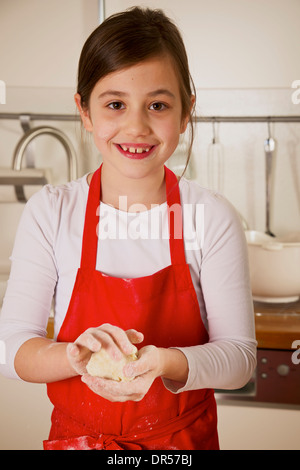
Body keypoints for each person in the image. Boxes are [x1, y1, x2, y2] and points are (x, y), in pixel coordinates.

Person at [0, 7, 256, 450]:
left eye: (157, 105)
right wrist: (76, 356)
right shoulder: (51, 212)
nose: (136, 126)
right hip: (75, 440)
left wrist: (166, 363)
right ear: (84, 110)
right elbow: (11, 350)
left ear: (185, 112)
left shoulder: (211, 217)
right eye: (115, 104)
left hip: (182, 446)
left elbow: (239, 360)